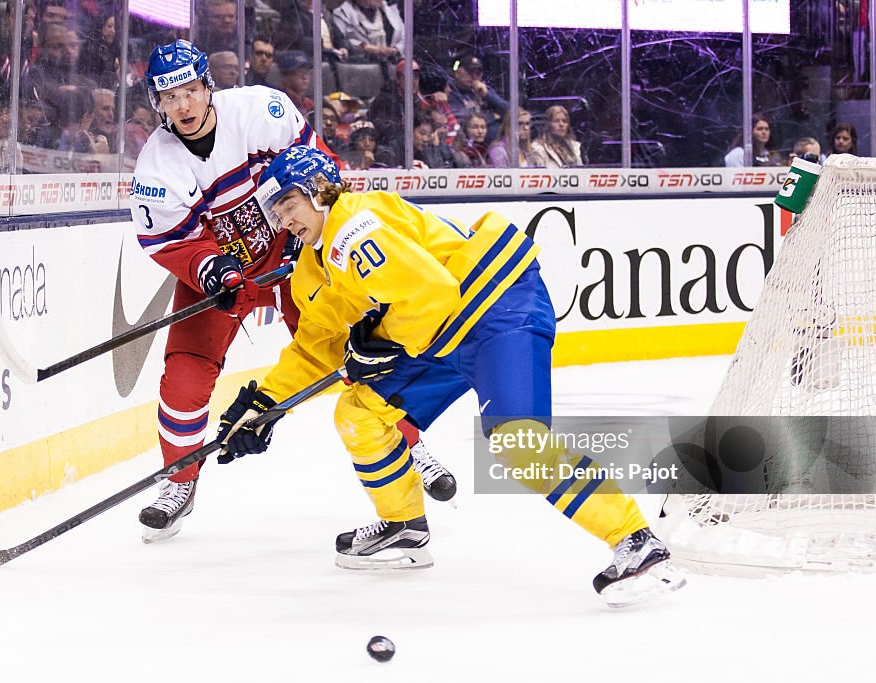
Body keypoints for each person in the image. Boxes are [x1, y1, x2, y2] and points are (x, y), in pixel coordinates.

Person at [216, 146, 686, 606]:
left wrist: (375, 342)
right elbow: (317, 347)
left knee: (519, 441)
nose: (285, 220)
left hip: (496, 307)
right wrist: (264, 404)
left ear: (319, 192)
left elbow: (429, 294)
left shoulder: (355, 226)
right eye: (276, 212)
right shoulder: (313, 269)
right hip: (440, 336)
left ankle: (636, 543)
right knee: (359, 412)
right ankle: (404, 529)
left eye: (290, 205)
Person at [129, 40, 453, 543]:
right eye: (170, 98)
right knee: (185, 373)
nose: (184, 106)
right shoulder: (156, 166)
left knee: (350, 354)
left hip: (295, 253)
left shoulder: (262, 111)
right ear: (157, 103)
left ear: (207, 86)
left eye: (191, 90)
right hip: (222, 275)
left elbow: (322, 175)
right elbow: (172, 241)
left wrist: (307, 245)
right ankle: (179, 482)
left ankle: (407, 442)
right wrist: (211, 268)